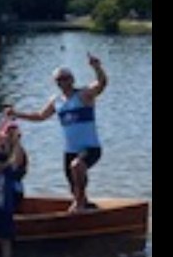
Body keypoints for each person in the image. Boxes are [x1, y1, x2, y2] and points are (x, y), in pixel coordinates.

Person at [7, 54, 107, 212]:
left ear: (72, 79)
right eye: (59, 80)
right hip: (70, 151)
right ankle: (84, 206)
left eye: (65, 78)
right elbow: (40, 116)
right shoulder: (57, 101)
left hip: (90, 147)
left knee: (77, 166)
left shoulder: (83, 95)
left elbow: (101, 84)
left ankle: (80, 204)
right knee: (74, 187)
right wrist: (17, 114)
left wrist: (97, 67)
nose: (62, 82)